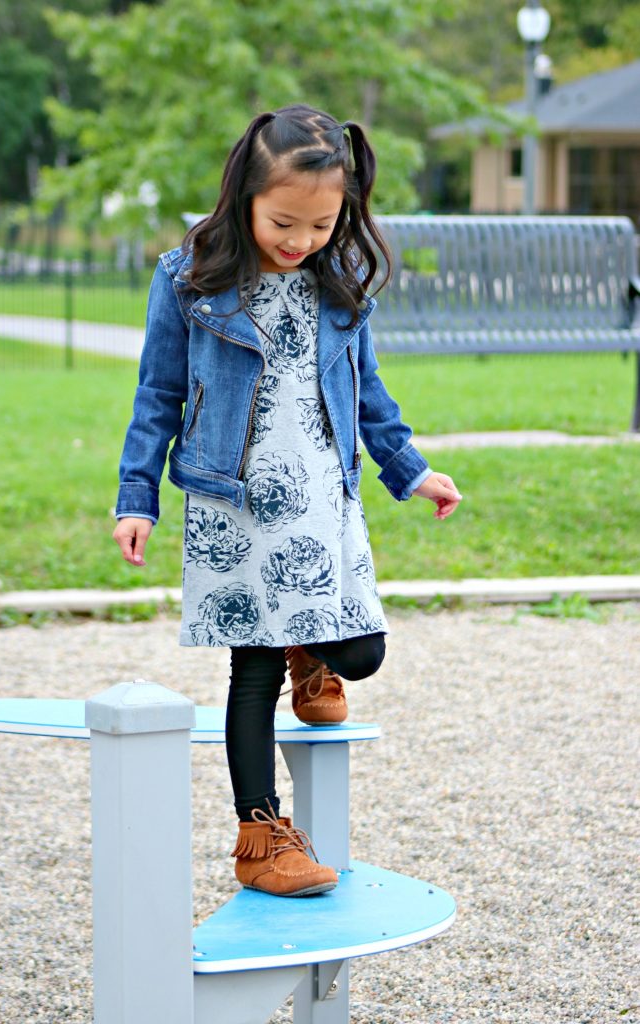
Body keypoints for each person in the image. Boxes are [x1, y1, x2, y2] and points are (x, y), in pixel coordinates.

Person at [113, 104, 462, 898]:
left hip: (322, 503)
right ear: (243, 196)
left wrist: (408, 469)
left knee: (361, 655)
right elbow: (157, 395)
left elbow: (367, 392)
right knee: (253, 669)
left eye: (319, 222)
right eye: (282, 220)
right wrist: (137, 497)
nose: (299, 239)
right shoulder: (188, 281)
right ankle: (260, 836)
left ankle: (315, 652)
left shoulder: (336, 285)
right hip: (232, 503)